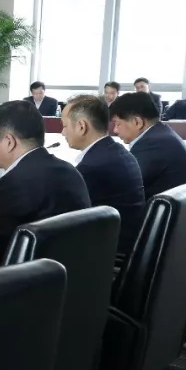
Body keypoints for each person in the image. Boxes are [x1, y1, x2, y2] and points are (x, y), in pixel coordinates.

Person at [0, 100, 90, 269]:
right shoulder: (69, 171)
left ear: (9, 142)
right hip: (69, 271)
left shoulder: (13, 182)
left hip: (30, 277)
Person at [61, 95, 145, 258]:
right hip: (127, 248)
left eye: (64, 125)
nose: (63, 132)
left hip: (107, 258)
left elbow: (62, 218)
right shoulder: (118, 152)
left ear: (81, 126)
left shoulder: (91, 167)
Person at [110, 91, 186, 200]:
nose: (115, 130)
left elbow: (121, 184)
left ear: (137, 122)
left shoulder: (152, 144)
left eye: (117, 124)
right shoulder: (160, 134)